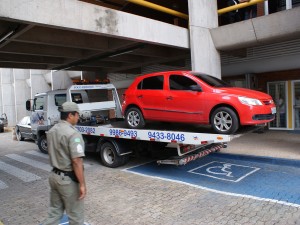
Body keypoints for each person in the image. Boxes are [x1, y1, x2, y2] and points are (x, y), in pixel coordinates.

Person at [43, 102, 86, 225]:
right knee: (76, 217)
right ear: (70, 115)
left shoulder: (52, 130)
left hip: (54, 176)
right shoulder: (73, 133)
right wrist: (82, 184)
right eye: (77, 114)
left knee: (54, 213)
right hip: (68, 181)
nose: (78, 117)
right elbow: (76, 161)